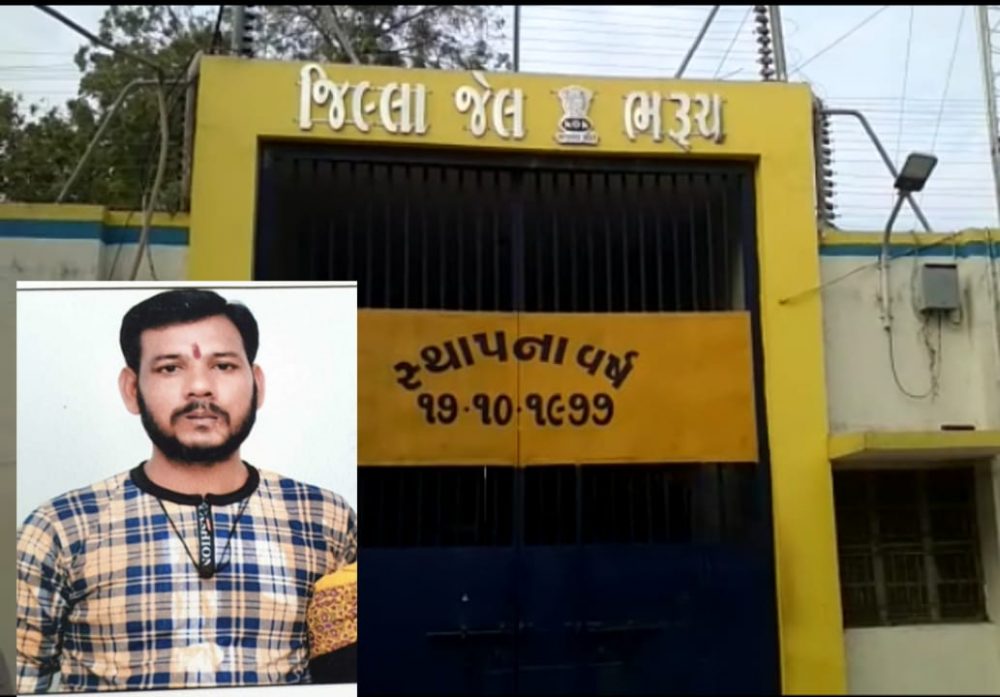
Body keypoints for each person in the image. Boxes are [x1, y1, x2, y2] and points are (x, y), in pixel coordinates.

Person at [16, 288, 357, 692]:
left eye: (223, 366)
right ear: (131, 389)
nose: (199, 387)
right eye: (170, 368)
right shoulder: (60, 529)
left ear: (257, 384)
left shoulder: (325, 519)